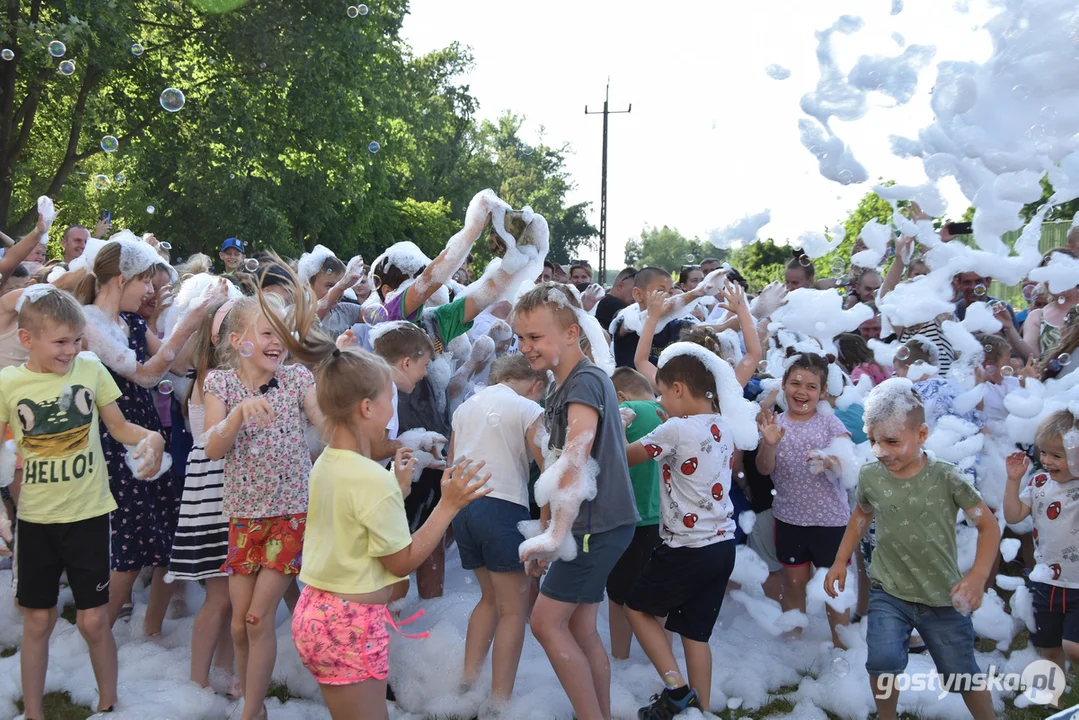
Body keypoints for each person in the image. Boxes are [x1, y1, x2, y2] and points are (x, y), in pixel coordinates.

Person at [291, 345, 491, 720]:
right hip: (349, 622)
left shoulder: (327, 463)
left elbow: (352, 522)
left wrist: (395, 490)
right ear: (367, 408)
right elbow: (402, 562)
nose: (392, 409)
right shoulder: (369, 479)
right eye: (390, 399)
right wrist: (448, 505)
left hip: (318, 614)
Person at [3, 287, 166, 718]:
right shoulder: (8, 383)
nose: (70, 351)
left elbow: (119, 426)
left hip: (89, 515)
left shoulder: (90, 369)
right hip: (36, 520)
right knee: (39, 620)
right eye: (60, 342)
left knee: (94, 620)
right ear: (27, 339)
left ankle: (109, 703)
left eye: (76, 341)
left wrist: (153, 437)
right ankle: (33, 712)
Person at [824, 378, 998, 720]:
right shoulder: (872, 476)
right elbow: (861, 514)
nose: (880, 450)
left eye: (891, 441)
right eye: (873, 441)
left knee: (961, 673)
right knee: (882, 662)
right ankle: (887, 716)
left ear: (921, 435)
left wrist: (977, 575)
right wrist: (840, 560)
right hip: (889, 591)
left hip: (941, 595)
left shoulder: (947, 478)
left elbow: (988, 525)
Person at [513, 283, 638, 720]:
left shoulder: (582, 382)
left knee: (546, 623)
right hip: (601, 523)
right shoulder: (570, 382)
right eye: (521, 337)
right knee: (581, 627)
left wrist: (555, 537)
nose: (526, 347)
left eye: (536, 337)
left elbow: (574, 462)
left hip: (592, 527)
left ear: (571, 333)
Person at [76, 239, 211, 632]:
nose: (151, 292)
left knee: (169, 537)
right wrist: (189, 320)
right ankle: (97, 634)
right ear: (122, 279)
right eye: (146, 283)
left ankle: (150, 631)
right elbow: (147, 373)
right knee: (132, 546)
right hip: (115, 437)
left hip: (150, 433)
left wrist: (204, 320)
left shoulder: (133, 322)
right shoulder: (87, 322)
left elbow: (179, 364)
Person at [203, 293, 321, 720]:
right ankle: (253, 699)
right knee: (238, 623)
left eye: (284, 334)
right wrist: (236, 415)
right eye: (268, 332)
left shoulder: (297, 380)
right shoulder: (219, 383)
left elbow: (325, 422)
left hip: (290, 514)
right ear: (238, 340)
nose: (279, 342)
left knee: (256, 617)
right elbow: (214, 449)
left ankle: (252, 710)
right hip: (243, 516)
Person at [623, 343, 757, 717]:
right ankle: (700, 709)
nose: (661, 401)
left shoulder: (677, 428)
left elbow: (626, 457)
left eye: (663, 393)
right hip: (722, 546)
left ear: (678, 389)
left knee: (636, 609)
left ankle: (677, 689)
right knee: (695, 633)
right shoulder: (722, 424)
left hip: (685, 547)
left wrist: (619, 427)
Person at [451, 354, 546, 709]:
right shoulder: (526, 407)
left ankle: (466, 683)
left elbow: (452, 463)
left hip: (464, 507)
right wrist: (547, 527)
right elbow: (546, 469)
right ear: (536, 385)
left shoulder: (465, 407)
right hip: (503, 506)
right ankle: (499, 701)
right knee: (513, 608)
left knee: (489, 599)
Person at [756, 352, 853, 648]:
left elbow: (849, 464)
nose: (802, 391)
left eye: (811, 386)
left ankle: (842, 645)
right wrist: (769, 444)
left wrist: (831, 461)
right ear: (783, 384)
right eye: (795, 383)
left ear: (823, 392)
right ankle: (793, 646)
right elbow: (763, 468)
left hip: (831, 522)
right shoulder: (776, 423)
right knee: (794, 583)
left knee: (833, 587)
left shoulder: (830, 424)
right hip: (789, 519)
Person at [168, 296, 238, 694]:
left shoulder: (218, 376)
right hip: (216, 492)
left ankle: (225, 671)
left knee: (232, 594)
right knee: (220, 594)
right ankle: (197, 679)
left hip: (221, 489)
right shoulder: (213, 380)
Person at [1003, 410, 1079, 683]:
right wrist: (1013, 481)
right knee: (1050, 647)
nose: (1046, 461)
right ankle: (1056, 695)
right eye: (1043, 452)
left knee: (1074, 647)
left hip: (1078, 584)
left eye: (1057, 456)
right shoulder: (1038, 483)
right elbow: (1013, 516)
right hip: (1046, 580)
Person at [607, 367, 665, 661]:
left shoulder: (626, 411)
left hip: (631, 517)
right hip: (666, 520)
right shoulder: (669, 412)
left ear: (620, 395)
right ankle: (663, 662)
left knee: (618, 595)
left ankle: (621, 659)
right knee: (659, 595)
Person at [595, 267, 636, 332]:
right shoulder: (612, 303)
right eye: (634, 290)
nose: (637, 295)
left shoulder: (606, 299)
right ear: (620, 286)